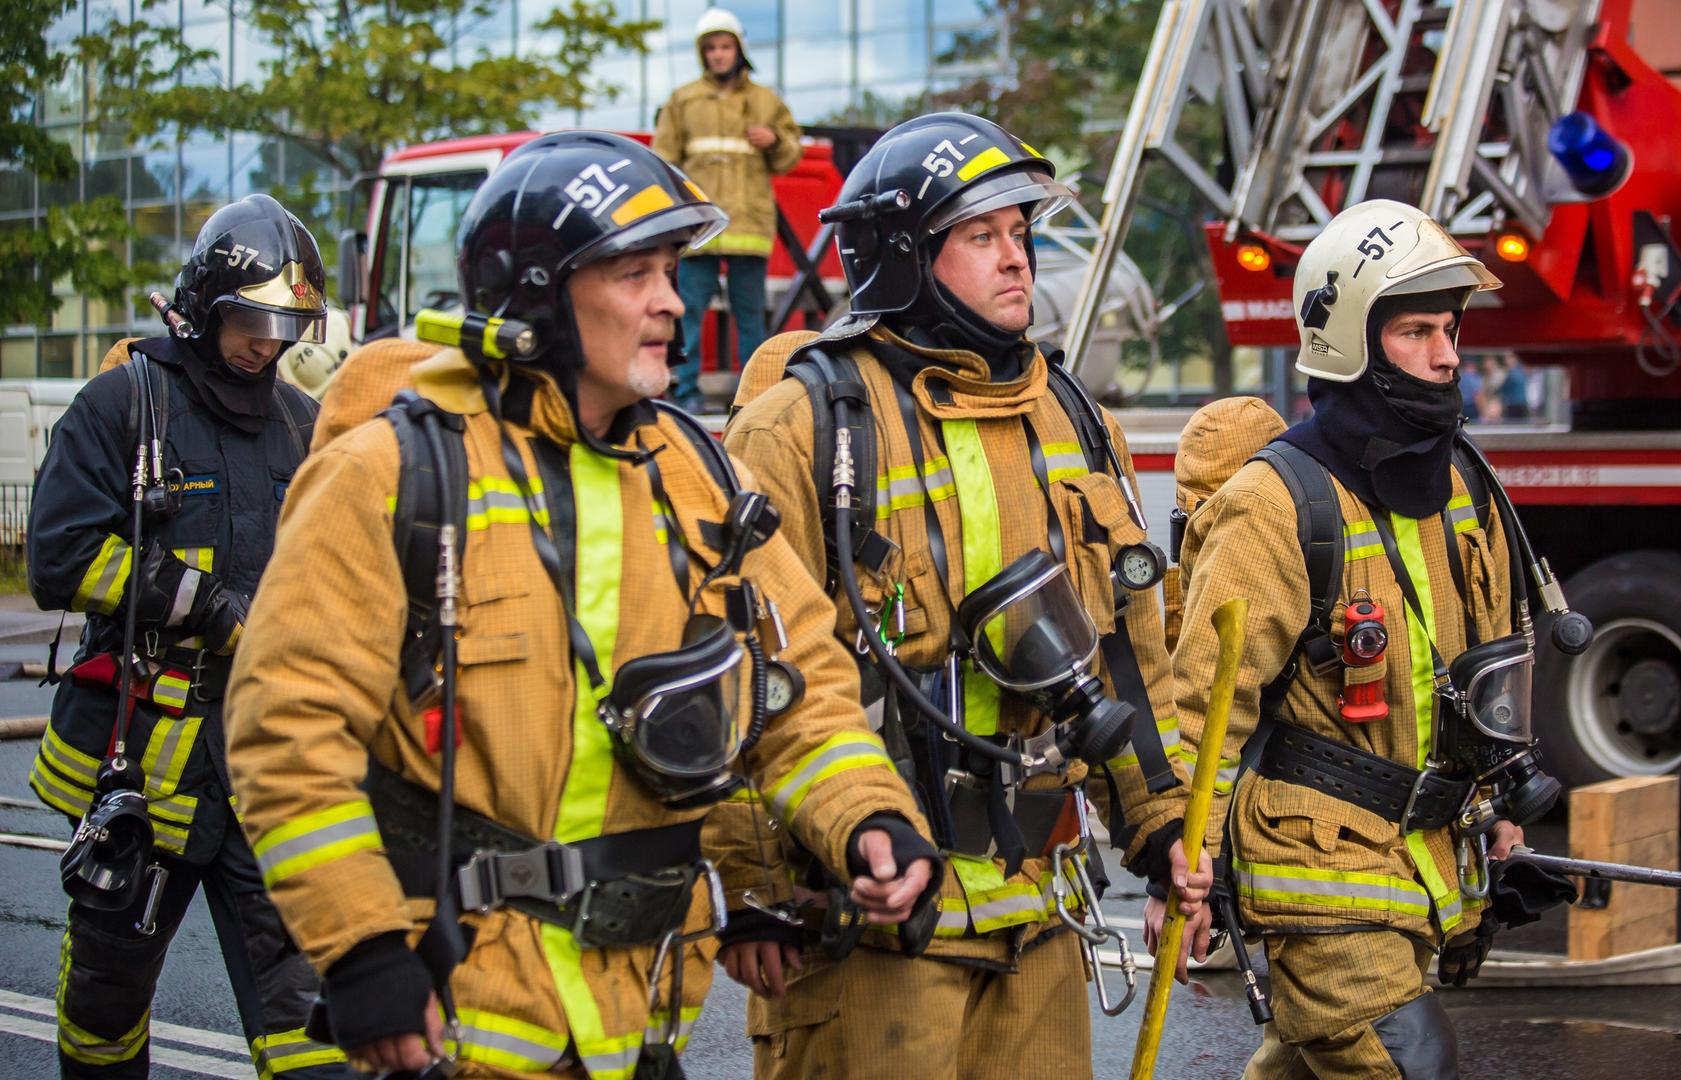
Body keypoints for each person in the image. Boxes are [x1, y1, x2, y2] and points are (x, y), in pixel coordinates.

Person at [223, 131, 939, 1078]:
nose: (670, 303)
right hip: (459, 1033)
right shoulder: (389, 475)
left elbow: (797, 683)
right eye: (632, 272)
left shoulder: (694, 475)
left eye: (671, 270)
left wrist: (868, 818)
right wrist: (360, 948)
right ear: (537, 293)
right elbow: (288, 729)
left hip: (640, 1029)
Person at [720, 111, 1209, 1078]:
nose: (1017, 260)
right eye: (981, 237)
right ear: (901, 259)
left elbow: (1130, 658)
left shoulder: (1075, 418)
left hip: (1038, 908)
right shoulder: (803, 425)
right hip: (876, 917)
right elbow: (750, 668)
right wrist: (753, 884)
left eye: (1021, 235)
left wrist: (1161, 835)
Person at [1170, 199, 1535, 1078]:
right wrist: (1185, 867)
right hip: (1318, 867)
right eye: (1416, 331)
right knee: (1406, 1065)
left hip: (1422, 858)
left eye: (1450, 329)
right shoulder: (1275, 501)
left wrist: (1502, 807)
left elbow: (1484, 675)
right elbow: (1205, 707)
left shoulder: (1464, 486)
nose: (1448, 354)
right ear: (1350, 343)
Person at [24, 194, 345, 1079]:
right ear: (204, 305)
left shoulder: (302, 425)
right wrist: (204, 605)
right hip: (142, 760)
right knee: (105, 1000)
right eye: (252, 319)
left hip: (266, 767)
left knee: (311, 1022)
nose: (268, 343)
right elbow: (59, 557)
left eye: (287, 325)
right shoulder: (128, 404)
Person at [653, 7, 802, 409]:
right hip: (700, 228)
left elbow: (791, 155)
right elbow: (662, 161)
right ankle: (686, 393)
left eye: (725, 46)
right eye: (711, 48)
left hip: (749, 226)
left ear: (739, 49)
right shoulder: (683, 101)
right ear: (703, 54)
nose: (718, 54)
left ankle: (754, 393)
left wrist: (775, 140)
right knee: (687, 313)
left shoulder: (765, 101)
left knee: (749, 316)